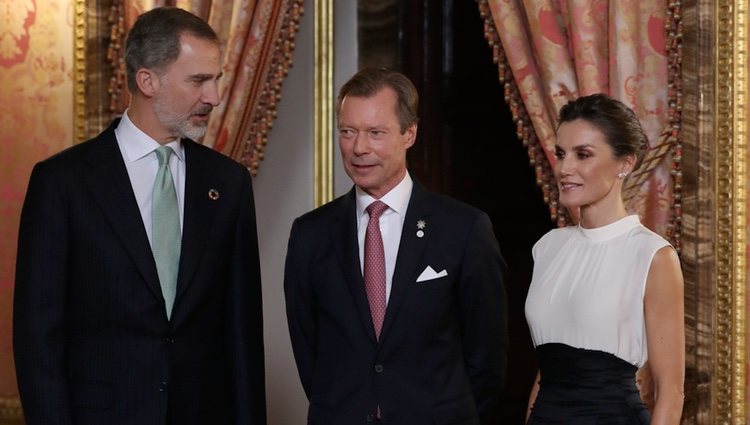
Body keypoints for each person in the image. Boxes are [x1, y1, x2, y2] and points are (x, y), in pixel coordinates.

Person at [13, 7, 266, 425]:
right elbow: (38, 338)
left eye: (216, 79)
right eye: (199, 80)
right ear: (148, 80)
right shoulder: (63, 182)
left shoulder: (229, 183)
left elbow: (242, 336)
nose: (215, 96)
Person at [283, 68, 508, 424]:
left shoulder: (463, 229)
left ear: (409, 134)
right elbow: (309, 351)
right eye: (348, 132)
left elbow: (487, 359)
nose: (359, 148)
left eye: (376, 133)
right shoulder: (310, 234)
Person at [524, 94, 685, 424]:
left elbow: (671, 391)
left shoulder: (653, 255)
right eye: (561, 154)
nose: (565, 168)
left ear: (625, 162)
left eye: (583, 155)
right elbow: (546, 372)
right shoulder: (547, 248)